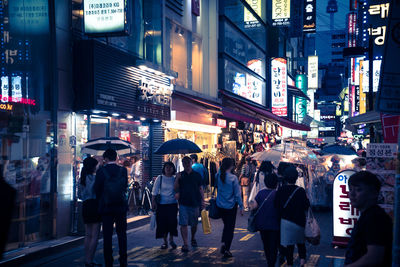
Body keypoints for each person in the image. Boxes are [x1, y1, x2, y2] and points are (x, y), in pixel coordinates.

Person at [344, 171, 393, 267]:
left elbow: (374, 257)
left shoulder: (375, 218)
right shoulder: (368, 215)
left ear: (374, 193)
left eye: (358, 190)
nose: (352, 194)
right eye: (350, 189)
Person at [95, 149, 128, 267]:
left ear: (106, 158)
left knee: (107, 236)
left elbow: (97, 190)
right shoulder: (123, 170)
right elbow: (124, 187)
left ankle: (109, 262)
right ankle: (123, 261)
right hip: (120, 207)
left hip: (106, 208)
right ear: (116, 157)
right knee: (122, 235)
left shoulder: (101, 171)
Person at [275, 166, 310, 267]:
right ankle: (302, 261)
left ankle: (290, 264)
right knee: (301, 243)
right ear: (296, 178)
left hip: (286, 221)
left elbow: (276, 205)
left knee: (289, 245)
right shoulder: (300, 191)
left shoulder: (281, 190)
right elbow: (306, 206)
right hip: (299, 220)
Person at [174, 156, 205, 252]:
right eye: (184, 163)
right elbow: (175, 188)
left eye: (188, 162)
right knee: (183, 224)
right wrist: (177, 178)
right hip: (183, 203)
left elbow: (200, 188)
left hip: (195, 202)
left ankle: (193, 238)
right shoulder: (180, 175)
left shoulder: (197, 175)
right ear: (182, 164)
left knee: (194, 224)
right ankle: (185, 243)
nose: (186, 164)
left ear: (191, 163)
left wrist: (202, 201)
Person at [216, 158, 244, 258]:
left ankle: (224, 243)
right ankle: (226, 248)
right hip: (231, 206)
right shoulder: (233, 178)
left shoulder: (218, 175)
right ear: (231, 166)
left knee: (226, 225)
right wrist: (241, 206)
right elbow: (237, 194)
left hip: (220, 205)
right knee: (229, 227)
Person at [250, 173, 279, 266]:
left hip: (262, 224)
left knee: (266, 245)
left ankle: (269, 261)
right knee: (274, 246)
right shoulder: (278, 194)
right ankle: (272, 263)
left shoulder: (260, 193)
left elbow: (254, 206)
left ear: (265, 182)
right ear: (276, 183)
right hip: (275, 225)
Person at [79, 157, 101, 267]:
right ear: (92, 166)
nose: (97, 167)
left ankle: (86, 259)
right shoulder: (95, 178)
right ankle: (90, 260)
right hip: (95, 205)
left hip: (85, 205)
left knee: (87, 234)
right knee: (95, 235)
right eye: (96, 165)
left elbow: (80, 195)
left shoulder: (82, 178)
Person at [151, 162, 178, 250]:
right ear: (164, 168)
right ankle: (165, 242)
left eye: (170, 167)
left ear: (173, 169)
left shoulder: (175, 179)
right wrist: (153, 202)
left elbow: (178, 190)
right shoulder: (160, 178)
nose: (168, 168)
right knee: (163, 224)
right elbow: (154, 191)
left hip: (173, 205)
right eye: (166, 167)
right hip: (162, 205)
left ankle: (171, 239)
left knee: (172, 223)